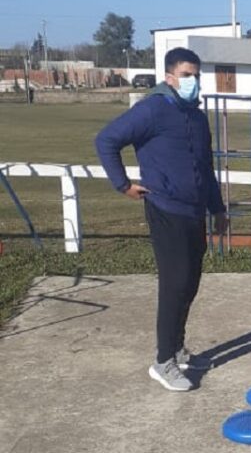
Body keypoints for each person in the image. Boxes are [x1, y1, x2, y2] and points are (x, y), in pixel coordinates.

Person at [95, 47, 227, 392]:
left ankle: (178, 346)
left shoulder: (196, 117)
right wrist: (122, 184)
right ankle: (163, 361)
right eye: (186, 75)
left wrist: (218, 208)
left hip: (195, 210)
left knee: (191, 281)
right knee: (175, 283)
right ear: (169, 77)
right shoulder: (152, 109)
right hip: (165, 207)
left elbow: (205, 166)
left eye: (196, 75)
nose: (192, 81)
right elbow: (107, 140)